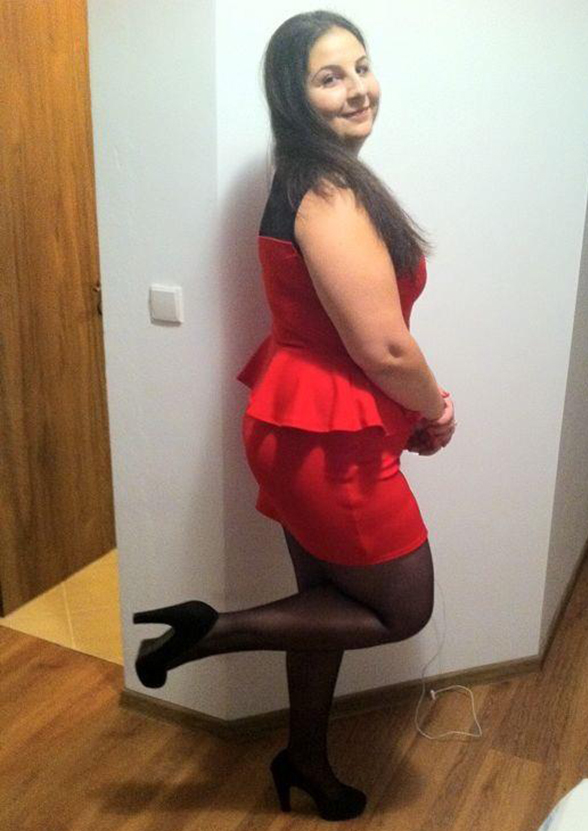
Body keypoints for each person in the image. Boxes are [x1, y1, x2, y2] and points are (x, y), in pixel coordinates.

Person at [133, 10, 456, 822]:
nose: (357, 89)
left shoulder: (308, 177)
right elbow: (385, 347)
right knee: (402, 606)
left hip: (304, 429)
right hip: (328, 445)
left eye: (361, 66)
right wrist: (437, 407)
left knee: (323, 607)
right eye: (329, 77)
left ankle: (304, 755)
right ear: (293, 94)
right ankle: (210, 630)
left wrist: (407, 412)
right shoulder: (328, 193)